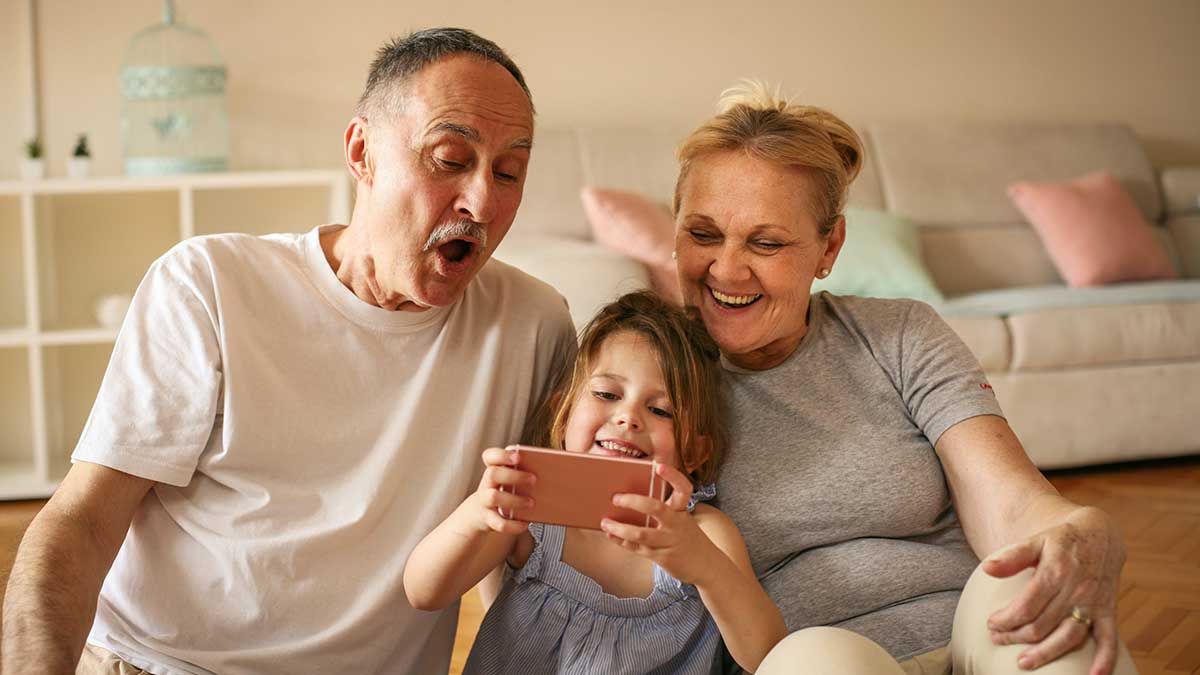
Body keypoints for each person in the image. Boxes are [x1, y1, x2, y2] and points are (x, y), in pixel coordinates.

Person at [2, 28, 576, 674]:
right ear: (362, 151)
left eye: (509, 173)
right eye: (450, 159)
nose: (482, 201)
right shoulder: (210, 284)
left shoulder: (534, 325)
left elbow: (516, 548)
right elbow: (80, 523)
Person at [669, 82, 1137, 675]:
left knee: (1055, 636)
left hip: (971, 629)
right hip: (808, 653)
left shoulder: (899, 335)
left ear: (828, 246)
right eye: (703, 233)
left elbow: (1006, 501)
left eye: (766, 242)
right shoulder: (644, 377)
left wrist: (1079, 525)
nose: (727, 269)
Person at [403, 290, 788, 674]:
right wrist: (475, 514)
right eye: (607, 394)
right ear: (564, 413)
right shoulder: (535, 512)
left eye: (660, 410)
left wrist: (705, 566)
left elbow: (766, 656)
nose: (627, 418)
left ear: (697, 453)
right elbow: (424, 592)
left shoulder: (704, 532)